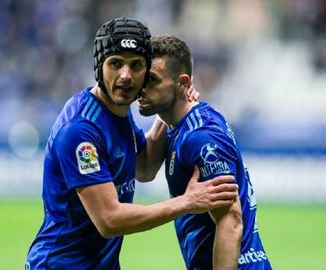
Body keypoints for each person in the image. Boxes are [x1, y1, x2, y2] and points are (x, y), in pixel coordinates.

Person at [25, 18, 239, 270]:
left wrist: (169, 106)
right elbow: (109, 220)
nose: (126, 76)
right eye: (115, 63)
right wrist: (186, 202)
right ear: (99, 67)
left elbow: (145, 168)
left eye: (136, 65)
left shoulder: (119, 112)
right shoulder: (81, 130)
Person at [138, 35, 272, 270]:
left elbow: (230, 222)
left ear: (182, 82)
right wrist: (164, 109)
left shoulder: (201, 137)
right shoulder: (177, 125)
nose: (142, 88)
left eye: (152, 80)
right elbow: (145, 170)